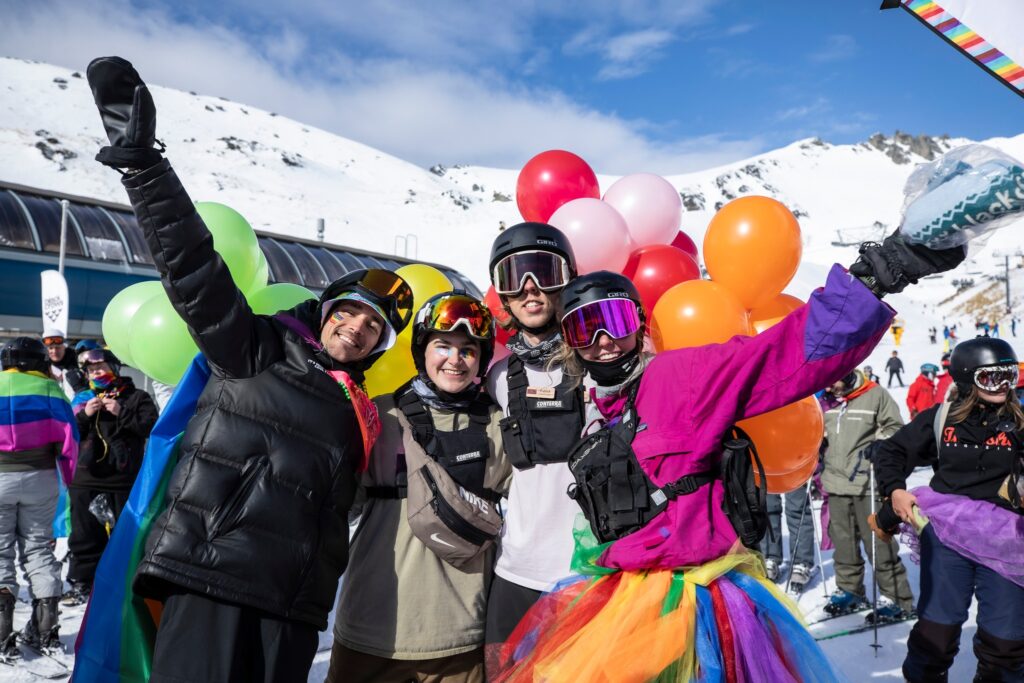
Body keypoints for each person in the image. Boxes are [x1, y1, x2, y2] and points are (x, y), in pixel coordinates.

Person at [493, 223, 964, 680]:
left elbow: (782, 355)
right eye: (584, 329)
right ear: (570, 342)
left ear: (637, 322)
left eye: (613, 320)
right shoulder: (593, 403)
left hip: (695, 600)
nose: (603, 341)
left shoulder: (683, 376)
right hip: (618, 597)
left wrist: (879, 275)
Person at [86, 56, 414, 681]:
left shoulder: (363, 407)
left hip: (291, 605)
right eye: (349, 312)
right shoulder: (256, 347)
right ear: (324, 313)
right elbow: (194, 270)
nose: (358, 328)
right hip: (211, 575)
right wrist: (146, 167)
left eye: (374, 327)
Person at [328, 292, 511, 683]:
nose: (455, 360)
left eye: (468, 351)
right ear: (422, 351)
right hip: (370, 627)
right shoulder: (378, 415)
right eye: (443, 345)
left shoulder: (498, 426)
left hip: (459, 636)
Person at [873, 337, 1024, 682]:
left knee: (1006, 641)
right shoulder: (942, 420)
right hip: (947, 533)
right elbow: (892, 451)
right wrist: (894, 490)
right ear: (968, 379)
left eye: (1009, 376)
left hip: (1005, 541)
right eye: (991, 378)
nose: (1002, 386)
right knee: (935, 636)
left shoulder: (1019, 423)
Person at [483, 222, 582, 673]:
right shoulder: (497, 376)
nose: (530, 290)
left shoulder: (599, 363)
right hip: (517, 569)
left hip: (587, 572)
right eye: (514, 278)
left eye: (544, 272)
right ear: (502, 296)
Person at [62, 348, 158, 607]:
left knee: (124, 536)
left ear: (115, 368)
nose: (97, 373)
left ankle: (124, 583)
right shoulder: (84, 398)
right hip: (85, 480)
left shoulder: (138, 397)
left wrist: (121, 412)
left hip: (122, 480)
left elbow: (151, 426)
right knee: (84, 536)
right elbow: (68, 434)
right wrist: (85, 415)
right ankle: (82, 584)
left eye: (101, 368)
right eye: (92, 370)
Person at [0, 338, 78, 655]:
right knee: (38, 549)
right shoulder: (50, 389)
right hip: (42, 477)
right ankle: (48, 631)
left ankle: (2, 633)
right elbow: (70, 438)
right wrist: (67, 478)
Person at [820, 370, 915, 621]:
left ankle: (897, 598)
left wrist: (881, 442)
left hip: (867, 481)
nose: (830, 389)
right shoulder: (826, 401)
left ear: (849, 374)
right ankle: (851, 591)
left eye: (834, 381)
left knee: (879, 543)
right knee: (843, 544)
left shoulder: (876, 395)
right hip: (835, 482)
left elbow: (896, 427)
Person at [760, 485, 815, 593]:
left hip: (794, 469)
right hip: (767, 468)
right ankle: (770, 559)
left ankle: (801, 562)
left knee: (796, 507)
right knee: (767, 505)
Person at [42, 329, 78, 399]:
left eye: (57, 348)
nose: (54, 351)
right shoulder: (43, 367)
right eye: (51, 348)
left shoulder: (76, 364)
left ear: (64, 347)